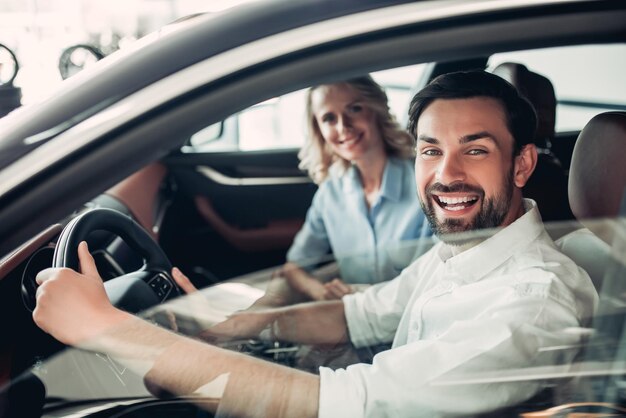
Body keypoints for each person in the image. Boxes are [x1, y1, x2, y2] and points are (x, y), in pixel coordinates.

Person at [34, 70, 597, 418]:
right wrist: (232, 327)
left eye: (474, 150)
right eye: (431, 150)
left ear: (521, 163)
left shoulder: (531, 302)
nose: (446, 174)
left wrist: (110, 330)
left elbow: (333, 405)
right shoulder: (462, 252)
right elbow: (356, 315)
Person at [278, 76, 430, 302]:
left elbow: (435, 276)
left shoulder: (424, 182)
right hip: (351, 320)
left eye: (354, 109)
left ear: (377, 109)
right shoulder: (330, 193)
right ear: (319, 129)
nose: (343, 127)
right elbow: (294, 267)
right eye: (329, 118)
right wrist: (320, 292)